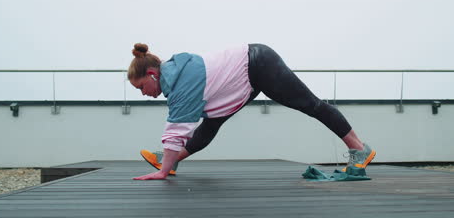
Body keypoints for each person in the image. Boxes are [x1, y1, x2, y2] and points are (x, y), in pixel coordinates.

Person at [128, 43, 376, 180]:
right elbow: (181, 125)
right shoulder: (175, 73)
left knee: (310, 104)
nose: (143, 93)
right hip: (241, 78)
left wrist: (159, 175)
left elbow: (177, 129)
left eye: (141, 87)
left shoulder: (181, 82)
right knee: (211, 123)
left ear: (152, 74)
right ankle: (171, 162)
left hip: (259, 64)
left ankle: (358, 148)